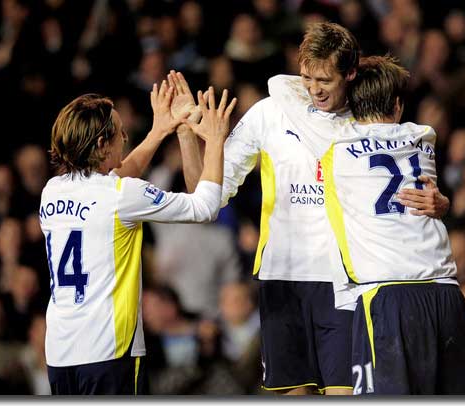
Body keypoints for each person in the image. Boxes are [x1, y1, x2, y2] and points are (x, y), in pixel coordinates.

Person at [171, 22, 449, 395]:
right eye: (306, 78)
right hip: (282, 277)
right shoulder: (269, 113)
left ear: (350, 74)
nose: (314, 89)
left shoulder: (367, 120)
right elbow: (205, 195)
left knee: (344, 394)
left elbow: (410, 191)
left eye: (325, 80)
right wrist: (187, 134)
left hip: (347, 281)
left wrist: (440, 202)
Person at [267, 54, 465, 394]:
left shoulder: (334, 143)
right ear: (397, 107)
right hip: (446, 293)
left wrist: (344, 75)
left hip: (388, 296)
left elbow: (278, 85)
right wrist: (443, 203)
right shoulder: (423, 136)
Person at [40, 81, 237, 395]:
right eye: (120, 132)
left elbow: (117, 175)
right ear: (103, 144)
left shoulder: (52, 191)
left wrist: (161, 131)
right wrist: (214, 140)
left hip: (61, 352)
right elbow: (205, 207)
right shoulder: (122, 195)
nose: (125, 138)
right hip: (109, 351)